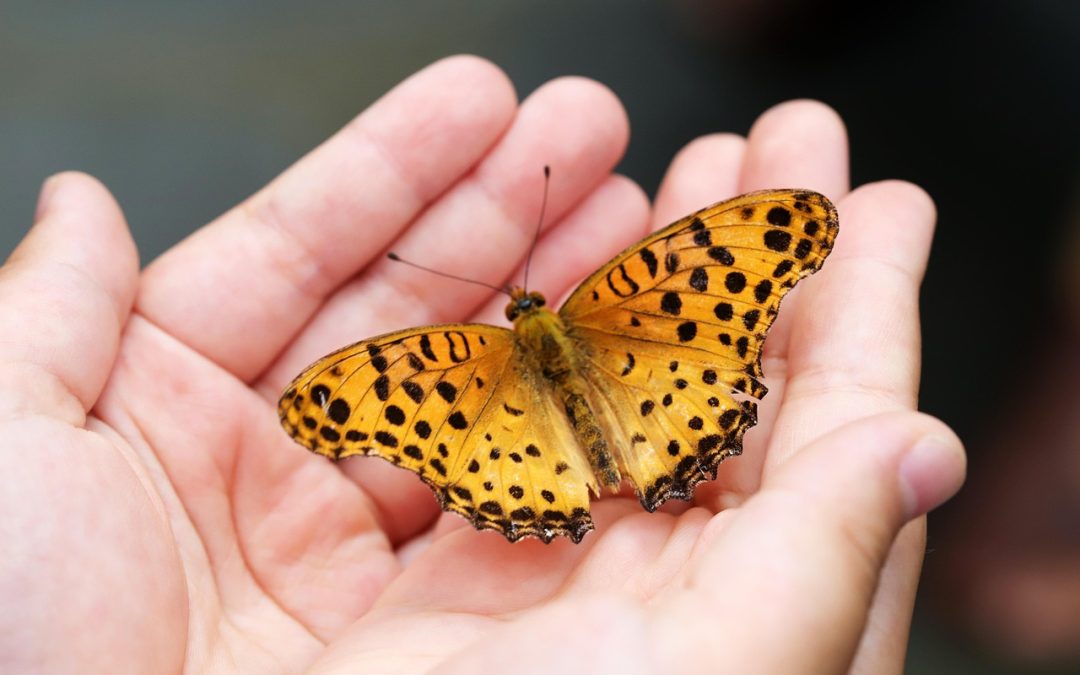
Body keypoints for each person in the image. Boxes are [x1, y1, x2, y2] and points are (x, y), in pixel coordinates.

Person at [0, 56, 964, 674]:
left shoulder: (440, 359)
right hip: (671, 394)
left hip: (517, 457)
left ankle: (584, 477)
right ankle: (659, 455)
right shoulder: (621, 290)